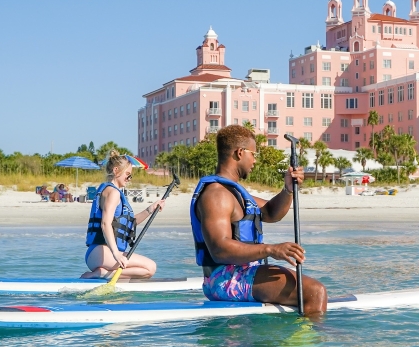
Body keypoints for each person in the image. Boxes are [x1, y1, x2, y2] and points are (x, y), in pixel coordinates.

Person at [191, 125, 328, 315]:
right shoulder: (216, 195)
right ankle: (308, 343)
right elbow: (219, 250)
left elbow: (271, 212)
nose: (254, 160)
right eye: (253, 154)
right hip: (225, 279)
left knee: (308, 290)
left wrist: (288, 189)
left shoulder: (234, 192)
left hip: (242, 274)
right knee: (314, 292)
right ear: (240, 153)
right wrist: (271, 249)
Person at [81, 150, 165, 280]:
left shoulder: (109, 190)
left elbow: (130, 223)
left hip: (98, 255)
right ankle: (102, 274)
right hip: (102, 253)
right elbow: (105, 223)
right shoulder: (113, 193)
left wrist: (150, 209)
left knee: (148, 269)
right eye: (127, 174)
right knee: (150, 268)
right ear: (116, 171)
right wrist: (116, 254)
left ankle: (104, 273)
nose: (129, 179)